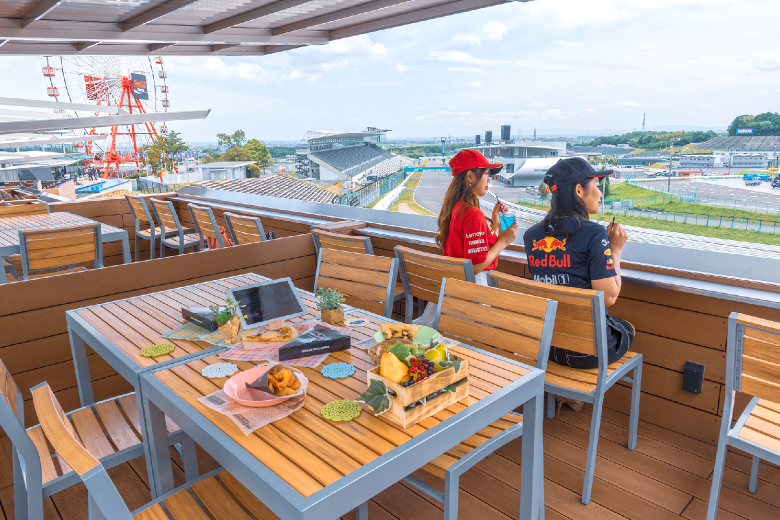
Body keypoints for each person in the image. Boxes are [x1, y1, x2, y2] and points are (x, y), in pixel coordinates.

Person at [523, 156, 633, 370]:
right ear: (579, 191)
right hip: (587, 352)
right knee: (628, 328)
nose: (601, 194)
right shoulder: (594, 233)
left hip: (546, 345)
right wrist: (616, 250)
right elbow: (609, 297)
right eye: (597, 186)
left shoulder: (531, 236)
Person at [436, 148, 519, 280]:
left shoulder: (455, 207)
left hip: (454, 285)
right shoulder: (472, 214)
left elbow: (474, 249)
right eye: (486, 174)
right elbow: (474, 267)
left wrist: (494, 224)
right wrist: (503, 242)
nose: (489, 180)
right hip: (473, 288)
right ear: (469, 176)